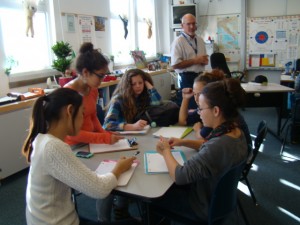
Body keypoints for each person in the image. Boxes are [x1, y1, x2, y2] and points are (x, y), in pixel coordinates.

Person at [22, 88, 137, 225]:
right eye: (82, 113)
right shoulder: (53, 147)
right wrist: (119, 168)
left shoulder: (42, 139)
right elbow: (99, 189)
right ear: (70, 111)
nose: (84, 120)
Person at [151, 78, 249, 222]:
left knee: (154, 196)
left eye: (201, 109)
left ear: (216, 111)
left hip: (201, 205)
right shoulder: (235, 131)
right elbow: (207, 146)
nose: (199, 113)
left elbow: (180, 176)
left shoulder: (219, 145)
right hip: (217, 199)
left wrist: (166, 150)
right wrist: (182, 141)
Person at [64, 42, 123, 146]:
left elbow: (93, 116)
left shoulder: (92, 89)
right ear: (86, 72)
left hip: (90, 143)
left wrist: (105, 133)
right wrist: (104, 137)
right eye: (100, 75)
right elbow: (72, 134)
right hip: (73, 147)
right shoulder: (68, 94)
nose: (102, 79)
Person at [170, 13, 208, 109]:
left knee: (202, 104)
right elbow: (175, 65)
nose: (192, 27)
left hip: (200, 76)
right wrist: (195, 60)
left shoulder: (200, 40)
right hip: (187, 78)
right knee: (191, 106)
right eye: (188, 24)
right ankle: (190, 123)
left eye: (194, 24)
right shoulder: (178, 42)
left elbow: (204, 58)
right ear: (182, 26)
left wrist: (204, 60)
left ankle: (201, 123)